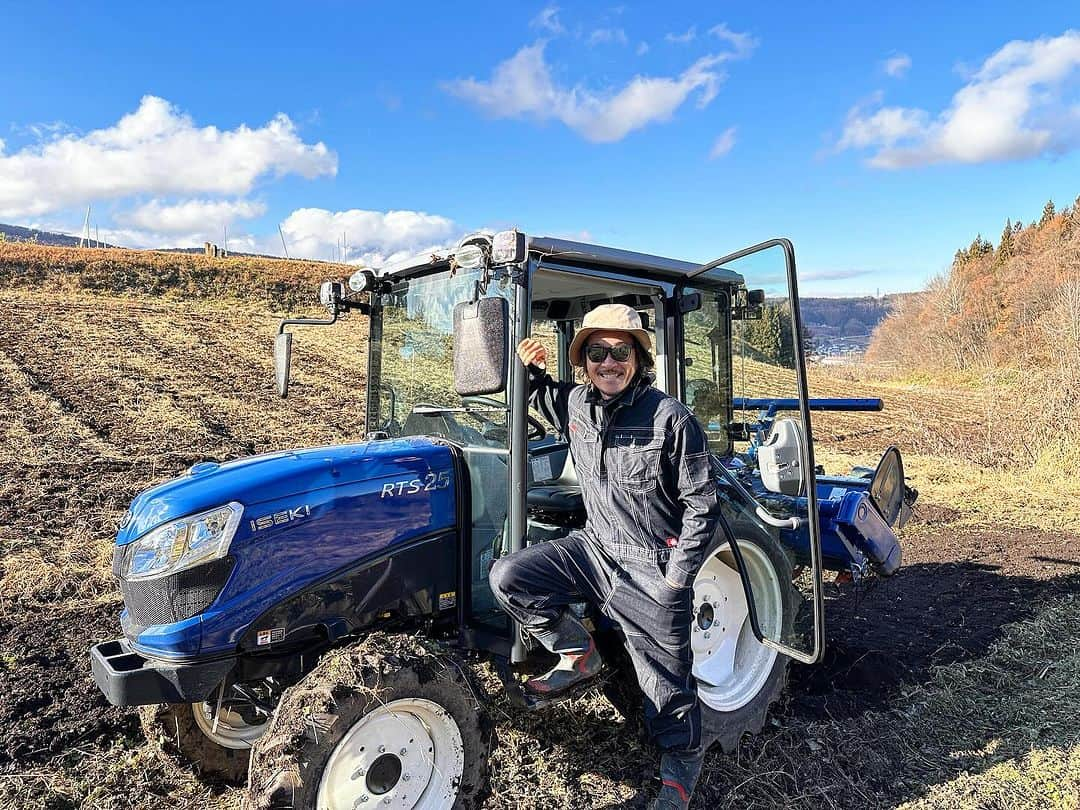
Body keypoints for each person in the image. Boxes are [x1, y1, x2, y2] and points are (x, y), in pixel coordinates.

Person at [488, 303, 721, 810]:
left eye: (620, 351)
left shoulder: (670, 418)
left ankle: (680, 769)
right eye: (597, 352)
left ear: (638, 358)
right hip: (595, 548)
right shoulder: (576, 404)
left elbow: (702, 504)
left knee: (666, 688)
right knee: (510, 576)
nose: (608, 362)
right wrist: (530, 369)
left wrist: (676, 579)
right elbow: (543, 399)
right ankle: (578, 651)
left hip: (650, 565)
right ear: (584, 360)